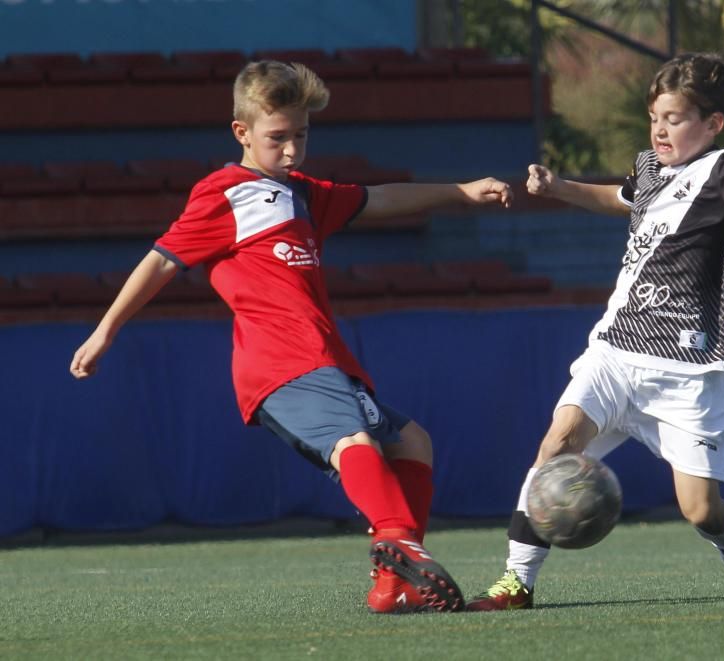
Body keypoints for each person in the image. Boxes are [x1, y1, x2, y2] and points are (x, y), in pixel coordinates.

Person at [68, 60, 514, 614]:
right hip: (280, 363)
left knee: (412, 442)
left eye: (301, 135)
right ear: (242, 133)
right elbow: (160, 261)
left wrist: (461, 192)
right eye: (277, 137)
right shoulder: (224, 192)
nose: (292, 149)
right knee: (356, 443)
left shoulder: (302, 192)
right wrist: (106, 331)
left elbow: (378, 198)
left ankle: (392, 584)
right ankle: (398, 542)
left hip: (324, 359)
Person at [465, 52, 724, 611]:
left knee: (701, 509)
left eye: (676, 118)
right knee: (556, 444)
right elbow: (621, 199)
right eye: (655, 117)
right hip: (616, 349)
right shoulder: (652, 168)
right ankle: (516, 581)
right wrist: (561, 186)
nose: (661, 128)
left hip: (686, 373)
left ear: (712, 124)